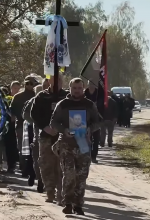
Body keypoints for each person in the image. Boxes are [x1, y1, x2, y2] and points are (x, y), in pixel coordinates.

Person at [50, 77, 100, 215]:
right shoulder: (63, 104)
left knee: (81, 176)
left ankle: (78, 204)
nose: (77, 91)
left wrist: (91, 128)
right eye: (74, 88)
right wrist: (63, 130)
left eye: (79, 88)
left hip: (83, 145)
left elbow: (98, 122)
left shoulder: (90, 105)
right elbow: (53, 122)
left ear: (83, 89)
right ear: (70, 88)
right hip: (67, 145)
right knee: (69, 174)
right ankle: (67, 203)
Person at [30, 75, 68, 203]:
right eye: (55, 81)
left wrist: (61, 128)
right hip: (46, 135)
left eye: (60, 81)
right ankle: (50, 191)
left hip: (62, 136)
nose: (58, 83)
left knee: (61, 166)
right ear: (49, 82)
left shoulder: (67, 97)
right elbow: (34, 114)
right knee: (46, 165)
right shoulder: (41, 96)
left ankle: (61, 193)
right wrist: (45, 127)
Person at [10, 76, 37, 174]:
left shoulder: (36, 95)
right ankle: (23, 168)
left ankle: (32, 168)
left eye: (31, 83)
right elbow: (12, 109)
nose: (29, 85)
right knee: (22, 148)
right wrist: (15, 117)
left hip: (33, 126)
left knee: (33, 148)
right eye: (27, 83)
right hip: (21, 125)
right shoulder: (17, 96)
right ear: (24, 84)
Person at [84, 79, 101, 163]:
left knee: (96, 139)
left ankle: (93, 157)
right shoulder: (84, 93)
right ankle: (88, 156)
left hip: (96, 119)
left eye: (93, 84)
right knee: (87, 139)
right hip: (85, 119)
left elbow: (103, 106)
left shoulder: (99, 94)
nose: (91, 85)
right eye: (90, 83)